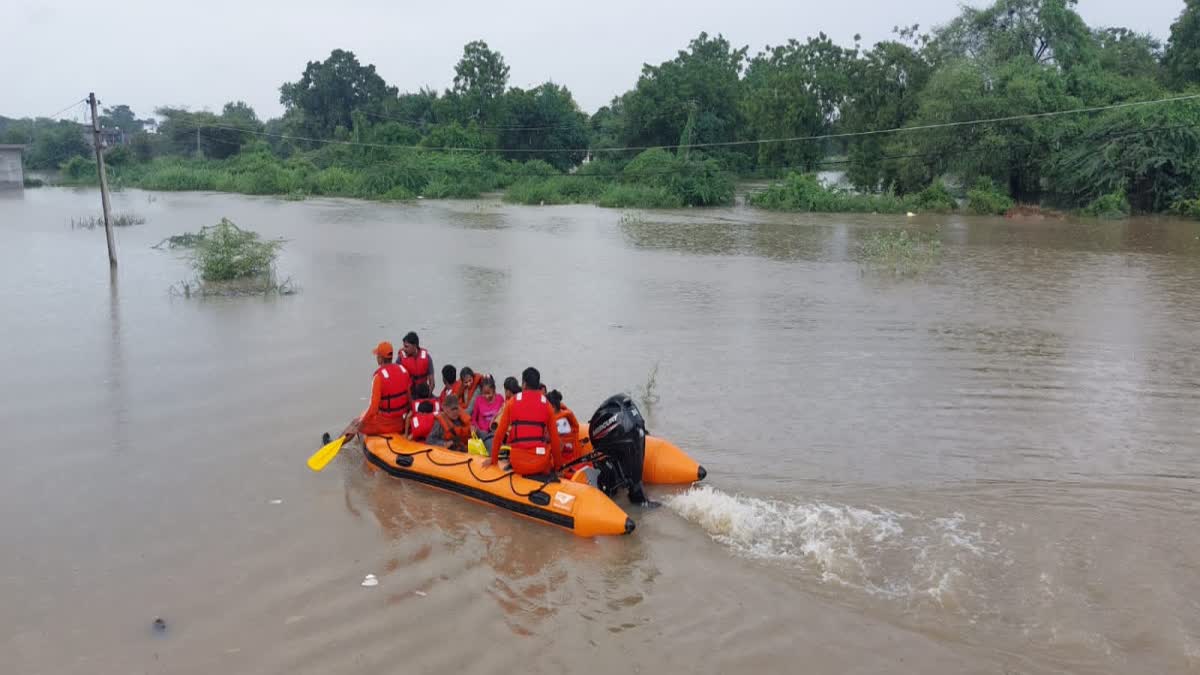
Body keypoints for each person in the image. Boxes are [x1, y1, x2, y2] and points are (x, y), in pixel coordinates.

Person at [484, 367, 560, 477]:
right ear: (538, 385)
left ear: (524, 384)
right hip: (541, 464)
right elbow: (555, 440)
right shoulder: (547, 405)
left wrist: (493, 459)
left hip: (518, 463)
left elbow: (499, 434)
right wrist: (558, 468)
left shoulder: (512, 402)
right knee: (548, 458)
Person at [342, 341, 411, 439]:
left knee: (355, 423)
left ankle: (332, 445)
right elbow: (409, 398)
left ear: (380, 358)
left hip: (386, 425)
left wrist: (360, 424)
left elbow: (373, 408)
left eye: (377, 356)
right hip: (401, 422)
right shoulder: (404, 371)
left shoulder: (378, 377)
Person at [546, 389, 581, 468]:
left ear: (553, 407)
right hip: (575, 460)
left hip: (563, 466)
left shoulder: (556, 421)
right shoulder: (567, 415)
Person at [469, 375, 505, 450]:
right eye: (484, 393)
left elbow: (503, 415)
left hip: (496, 432)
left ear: (494, 390)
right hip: (483, 434)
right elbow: (473, 419)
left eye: (489, 393)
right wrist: (476, 429)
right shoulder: (478, 400)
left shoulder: (500, 399)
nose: (486, 396)